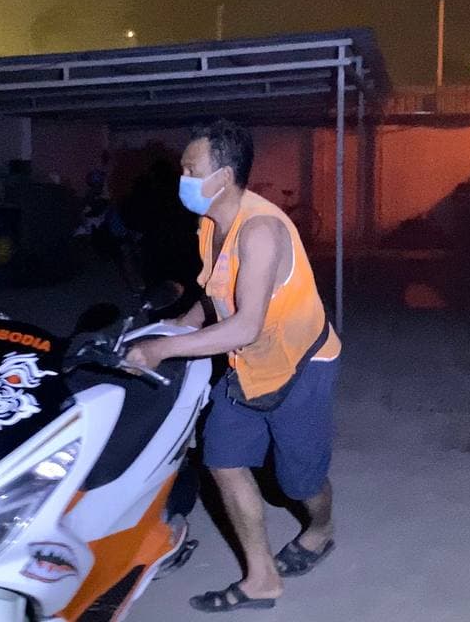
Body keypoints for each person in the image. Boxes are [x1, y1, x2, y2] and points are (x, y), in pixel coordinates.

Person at [125, 120, 341, 613]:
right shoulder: (211, 224)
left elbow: (244, 326)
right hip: (248, 365)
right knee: (222, 460)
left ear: (223, 177)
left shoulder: (260, 231)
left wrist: (162, 351)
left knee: (299, 484)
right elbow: (214, 289)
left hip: (300, 367)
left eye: (190, 169)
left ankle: (323, 528)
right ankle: (262, 579)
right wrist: (180, 325)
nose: (181, 178)